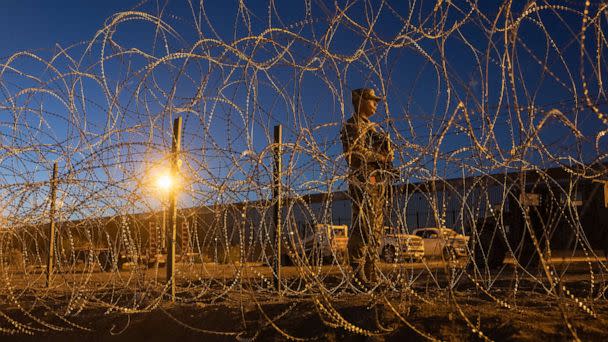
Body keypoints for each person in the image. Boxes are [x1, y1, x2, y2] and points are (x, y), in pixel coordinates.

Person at [341, 88, 394, 289]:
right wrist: (380, 157)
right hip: (362, 181)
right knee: (363, 226)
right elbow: (354, 155)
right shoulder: (352, 125)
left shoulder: (372, 128)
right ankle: (357, 273)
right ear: (360, 100)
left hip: (377, 181)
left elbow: (382, 153)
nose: (375, 104)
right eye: (372, 100)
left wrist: (387, 154)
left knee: (376, 228)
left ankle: (372, 272)